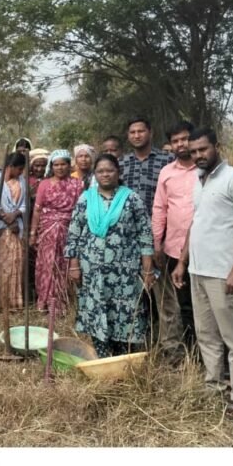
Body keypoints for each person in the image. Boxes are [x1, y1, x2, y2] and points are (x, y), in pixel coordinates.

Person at [173, 127, 233, 421]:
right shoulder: (200, 180)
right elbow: (196, 224)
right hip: (197, 271)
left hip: (223, 274)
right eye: (193, 151)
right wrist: (182, 262)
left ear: (216, 146)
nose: (198, 155)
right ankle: (214, 388)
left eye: (203, 149)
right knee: (207, 335)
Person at [66, 152, 153, 358]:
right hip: (92, 270)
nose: (105, 175)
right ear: (95, 174)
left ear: (118, 172)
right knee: (97, 308)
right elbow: (74, 234)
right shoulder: (86, 199)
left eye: (110, 170)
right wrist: (74, 266)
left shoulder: (131, 198)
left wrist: (147, 270)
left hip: (125, 271)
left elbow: (145, 235)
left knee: (124, 311)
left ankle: (123, 356)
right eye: (100, 171)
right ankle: (103, 355)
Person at [151, 120, 198, 359]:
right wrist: (156, 243)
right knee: (176, 302)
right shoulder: (167, 173)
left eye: (185, 139)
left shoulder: (205, 170)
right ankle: (181, 352)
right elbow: (160, 209)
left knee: (200, 303)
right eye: (175, 141)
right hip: (172, 247)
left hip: (204, 249)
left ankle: (202, 351)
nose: (181, 144)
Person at [29, 150, 82, 314]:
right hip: (47, 231)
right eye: (56, 165)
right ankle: (45, 301)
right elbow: (37, 210)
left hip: (70, 230)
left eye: (63, 164)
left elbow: (81, 209)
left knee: (66, 263)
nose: (60, 168)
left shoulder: (78, 184)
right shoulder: (44, 184)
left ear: (69, 165)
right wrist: (33, 233)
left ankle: (64, 302)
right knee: (47, 264)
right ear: (52, 167)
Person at [0, 152, 27, 311]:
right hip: (0, 225)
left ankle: (15, 302)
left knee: (16, 263)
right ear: (11, 166)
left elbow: (24, 205)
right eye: (19, 169)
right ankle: (2, 301)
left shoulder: (22, 181)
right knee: (2, 264)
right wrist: (5, 218)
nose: (21, 172)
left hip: (16, 226)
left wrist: (14, 215)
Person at [120, 117, 171, 216]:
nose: (136, 136)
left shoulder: (168, 160)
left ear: (150, 133)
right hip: (127, 221)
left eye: (141, 131)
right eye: (132, 132)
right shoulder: (120, 163)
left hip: (159, 220)